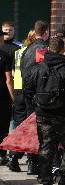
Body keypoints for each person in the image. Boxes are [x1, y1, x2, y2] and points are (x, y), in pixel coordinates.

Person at [24, 37, 65, 185]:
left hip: (43, 114)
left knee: (46, 146)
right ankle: (64, 178)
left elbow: (28, 90)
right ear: (62, 50)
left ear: (48, 49)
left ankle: (45, 177)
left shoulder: (37, 68)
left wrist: (34, 108)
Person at [7, 20, 49, 174]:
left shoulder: (20, 51)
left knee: (21, 127)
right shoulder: (39, 49)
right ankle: (31, 162)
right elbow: (41, 70)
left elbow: (12, 74)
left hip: (20, 91)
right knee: (32, 128)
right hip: (31, 93)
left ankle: (14, 155)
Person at [0, 29, 14, 165]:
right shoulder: (4, 56)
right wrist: (13, 98)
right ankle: (2, 155)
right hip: (2, 97)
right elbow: (8, 80)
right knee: (3, 126)